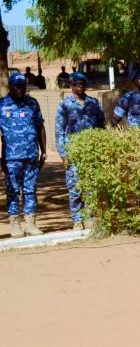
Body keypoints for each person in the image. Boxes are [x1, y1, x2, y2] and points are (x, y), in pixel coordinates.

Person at [56, 72, 106, 229]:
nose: (80, 86)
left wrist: (101, 148)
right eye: (77, 83)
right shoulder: (64, 105)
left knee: (91, 185)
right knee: (75, 187)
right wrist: (64, 154)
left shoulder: (94, 103)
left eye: (83, 83)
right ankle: (77, 219)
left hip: (91, 151)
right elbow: (59, 131)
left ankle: (90, 216)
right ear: (71, 85)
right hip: (73, 151)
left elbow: (101, 127)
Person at [0, 72, 46, 237]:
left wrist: (44, 152)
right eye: (17, 86)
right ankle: (15, 225)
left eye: (23, 86)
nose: (21, 89)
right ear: (10, 86)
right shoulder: (2, 105)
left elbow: (40, 127)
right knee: (13, 191)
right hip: (10, 158)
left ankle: (31, 223)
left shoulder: (32, 103)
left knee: (30, 189)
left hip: (31, 155)